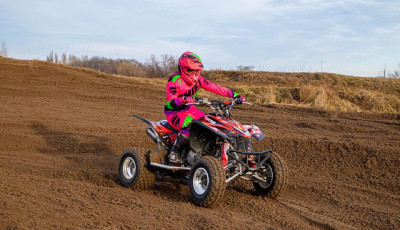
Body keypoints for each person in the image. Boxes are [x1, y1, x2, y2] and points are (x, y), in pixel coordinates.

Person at [164, 51, 246, 164]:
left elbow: (215, 87)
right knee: (191, 125)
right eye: (189, 70)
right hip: (174, 113)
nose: (193, 74)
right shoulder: (175, 80)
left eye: (196, 71)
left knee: (208, 124)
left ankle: (206, 154)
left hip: (190, 109)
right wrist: (182, 100)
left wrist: (235, 95)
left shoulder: (199, 80)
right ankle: (175, 152)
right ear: (181, 68)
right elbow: (169, 103)